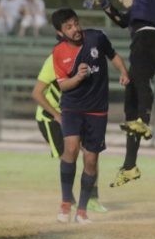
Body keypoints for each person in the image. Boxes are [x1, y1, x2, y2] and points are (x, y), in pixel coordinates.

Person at [83, 0, 155, 188]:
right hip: (143, 40)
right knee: (130, 104)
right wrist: (106, 5)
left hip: (148, 39)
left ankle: (144, 120)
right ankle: (130, 165)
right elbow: (124, 21)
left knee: (140, 81)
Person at [51, 8, 130, 224]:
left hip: (97, 109)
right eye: (69, 27)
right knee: (71, 148)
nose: (75, 29)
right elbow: (63, 86)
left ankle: (82, 210)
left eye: (76, 23)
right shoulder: (58, 52)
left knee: (91, 159)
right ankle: (66, 202)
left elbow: (113, 56)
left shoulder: (97, 38)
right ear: (60, 33)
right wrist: (78, 77)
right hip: (72, 107)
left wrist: (123, 72)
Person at [31, 53, 109, 219]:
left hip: (76, 113)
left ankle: (91, 198)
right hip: (51, 118)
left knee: (91, 152)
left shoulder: (89, 59)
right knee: (69, 156)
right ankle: (68, 201)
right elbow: (37, 93)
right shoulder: (54, 60)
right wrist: (57, 116)